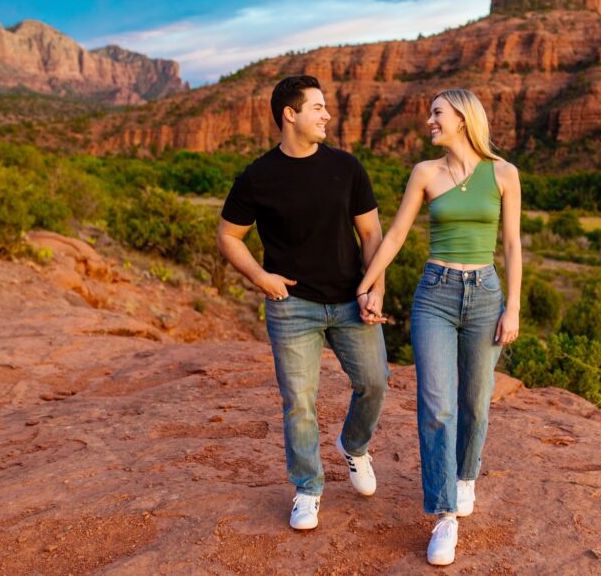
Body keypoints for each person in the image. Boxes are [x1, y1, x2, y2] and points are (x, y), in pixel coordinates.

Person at [355, 88, 521, 565]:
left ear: (463, 120)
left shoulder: (504, 174)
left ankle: (465, 475)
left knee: (475, 400)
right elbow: (397, 236)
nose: (428, 120)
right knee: (435, 406)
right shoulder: (424, 173)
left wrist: (513, 308)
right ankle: (444, 515)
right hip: (435, 295)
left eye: (436, 113)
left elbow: (511, 245)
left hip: (487, 295)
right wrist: (367, 285)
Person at [217, 75, 389, 531]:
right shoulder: (258, 176)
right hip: (292, 307)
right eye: (317, 107)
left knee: (374, 382)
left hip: (352, 302)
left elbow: (371, 234)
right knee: (299, 401)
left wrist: (376, 288)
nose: (327, 115)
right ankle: (308, 489)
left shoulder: (347, 167)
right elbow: (228, 236)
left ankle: (353, 446)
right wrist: (259, 276)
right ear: (289, 114)